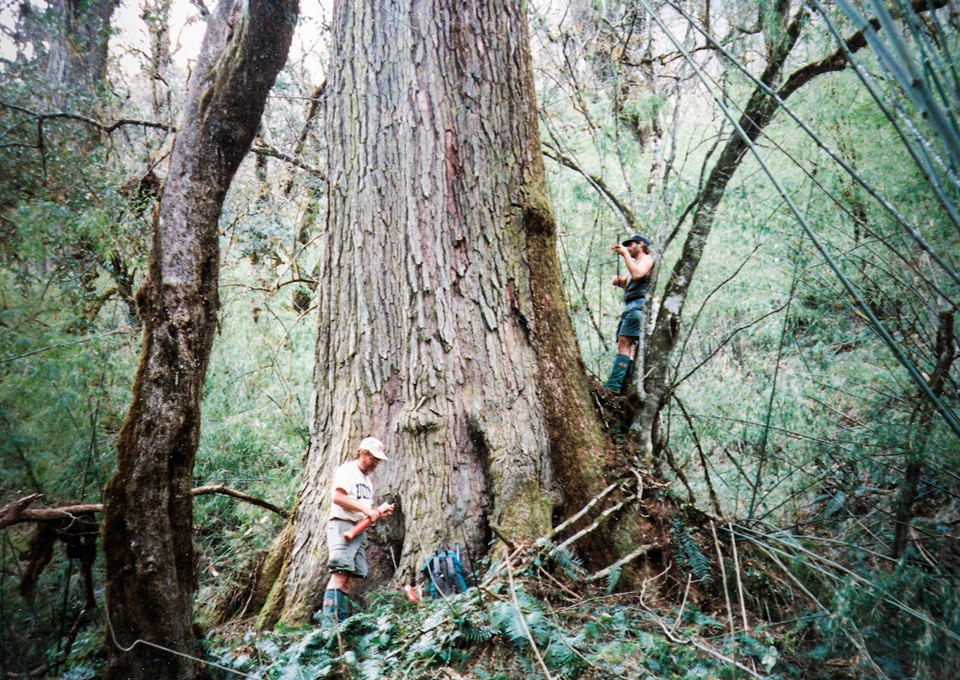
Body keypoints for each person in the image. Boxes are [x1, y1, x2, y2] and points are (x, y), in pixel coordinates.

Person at [321, 436, 394, 622]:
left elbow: (363, 509)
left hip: (358, 529)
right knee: (339, 573)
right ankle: (330, 629)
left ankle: (341, 624)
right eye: (374, 458)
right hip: (342, 525)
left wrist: (376, 513)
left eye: (378, 460)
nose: (376, 463)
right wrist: (366, 510)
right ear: (363, 453)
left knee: (349, 578)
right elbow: (338, 497)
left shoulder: (367, 482)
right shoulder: (348, 471)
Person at [604, 234, 655, 393]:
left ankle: (614, 385)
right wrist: (620, 282)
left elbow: (638, 274)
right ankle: (626, 385)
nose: (628, 248)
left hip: (638, 306)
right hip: (631, 306)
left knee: (624, 343)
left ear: (641, 245)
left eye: (630, 245)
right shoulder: (636, 263)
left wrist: (625, 255)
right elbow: (631, 282)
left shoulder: (647, 259)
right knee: (628, 346)